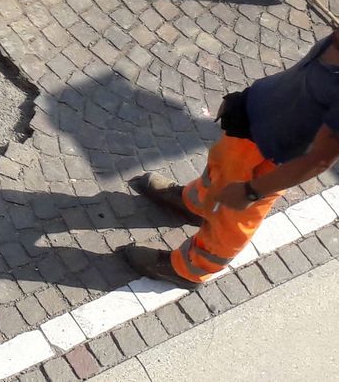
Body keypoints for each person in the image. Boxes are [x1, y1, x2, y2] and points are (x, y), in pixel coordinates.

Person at [121, 31, 339, 287]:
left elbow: (319, 160)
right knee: (220, 168)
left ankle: (190, 269)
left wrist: (251, 192)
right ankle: (196, 204)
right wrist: (250, 99)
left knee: (231, 220)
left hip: (270, 161)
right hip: (252, 127)